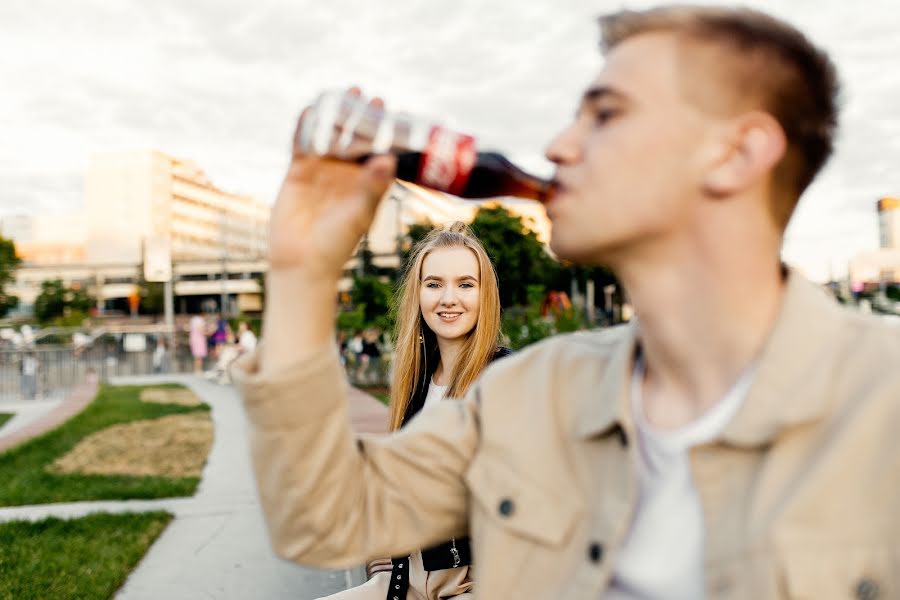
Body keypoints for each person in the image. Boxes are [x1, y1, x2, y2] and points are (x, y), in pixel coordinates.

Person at [234, 6, 900, 598]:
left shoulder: (881, 401)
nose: (557, 147)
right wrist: (300, 270)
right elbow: (324, 521)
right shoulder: (529, 395)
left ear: (735, 153)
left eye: (606, 114)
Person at [321, 222, 510, 599]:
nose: (448, 298)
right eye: (434, 283)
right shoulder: (418, 379)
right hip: (407, 579)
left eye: (465, 284)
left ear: (485, 295)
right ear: (418, 293)